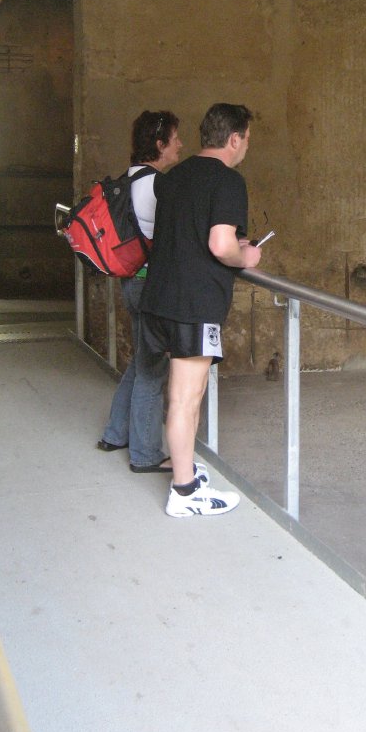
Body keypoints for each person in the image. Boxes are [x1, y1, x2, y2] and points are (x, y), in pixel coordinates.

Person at [140, 103, 262, 516]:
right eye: (246, 140)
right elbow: (219, 245)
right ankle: (185, 493)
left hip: (159, 297)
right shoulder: (228, 181)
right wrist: (246, 257)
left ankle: (185, 468)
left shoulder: (174, 177)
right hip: (193, 303)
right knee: (185, 399)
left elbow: (186, 233)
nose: (246, 147)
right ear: (234, 139)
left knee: (177, 396)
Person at [97, 109, 187, 473]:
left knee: (140, 360)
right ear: (160, 144)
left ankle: (115, 433)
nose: (181, 144)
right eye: (176, 138)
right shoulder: (157, 186)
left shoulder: (128, 180)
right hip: (150, 284)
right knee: (153, 369)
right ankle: (146, 454)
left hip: (130, 279)